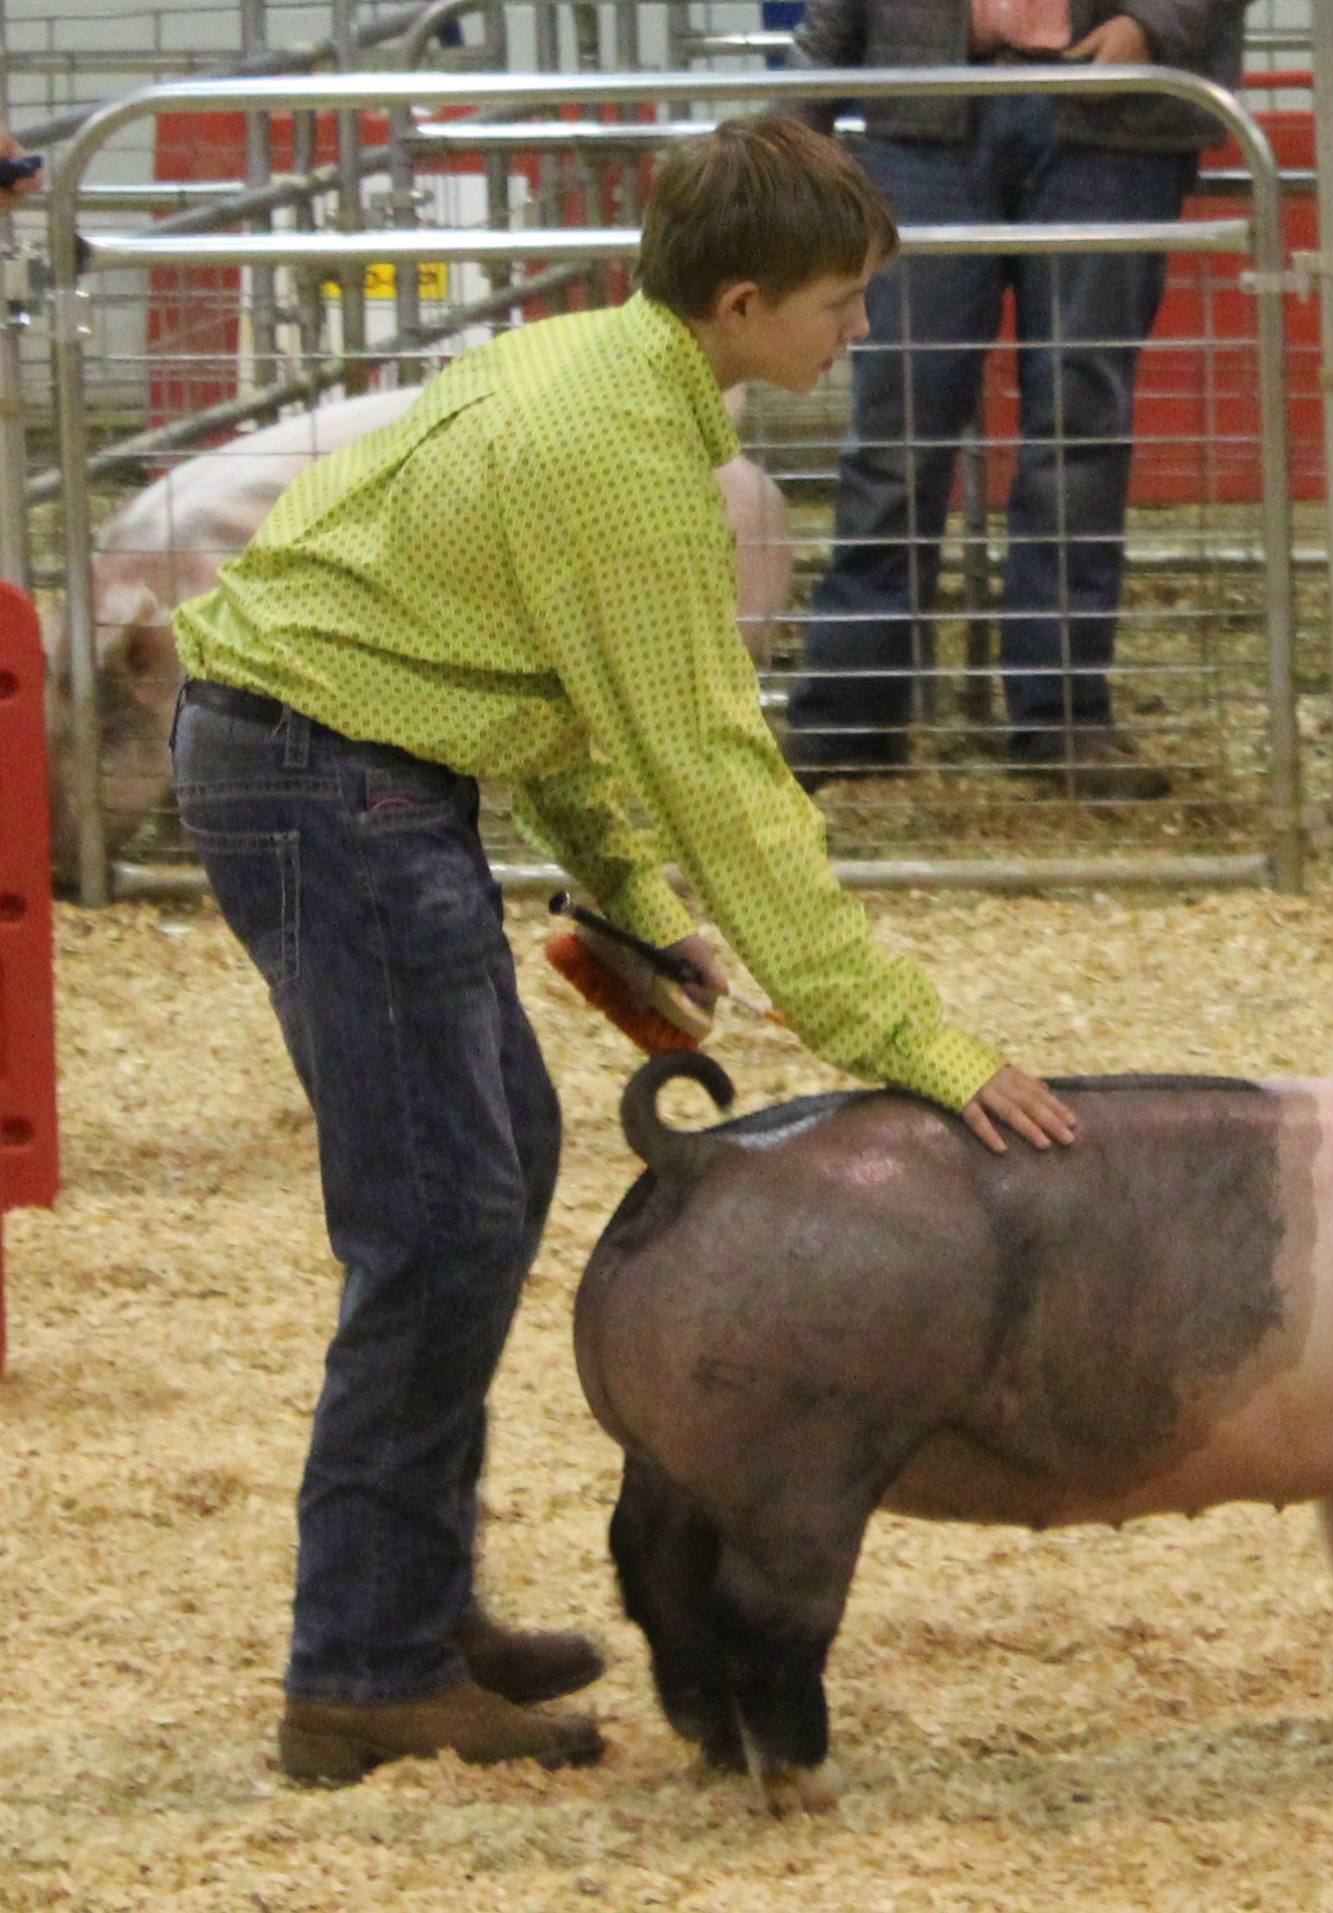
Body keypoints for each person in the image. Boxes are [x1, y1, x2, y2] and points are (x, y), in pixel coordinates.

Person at [169, 115, 1079, 1786]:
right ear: (739, 303)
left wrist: (631, 898)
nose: (854, 335)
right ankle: (356, 1665)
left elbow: (563, 691)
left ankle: (407, 1603)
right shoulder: (629, 464)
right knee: (436, 1221)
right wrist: (906, 1039)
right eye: (836, 305)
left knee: (489, 1174)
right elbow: (717, 774)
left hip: (338, 761)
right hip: (333, 778)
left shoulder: (594, 364)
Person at [781, 0, 1253, 802]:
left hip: (1109, 116)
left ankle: (1060, 714)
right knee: (899, 422)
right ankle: (848, 717)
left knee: (1077, 422)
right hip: (929, 109)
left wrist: (1152, 23)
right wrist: (797, 121)